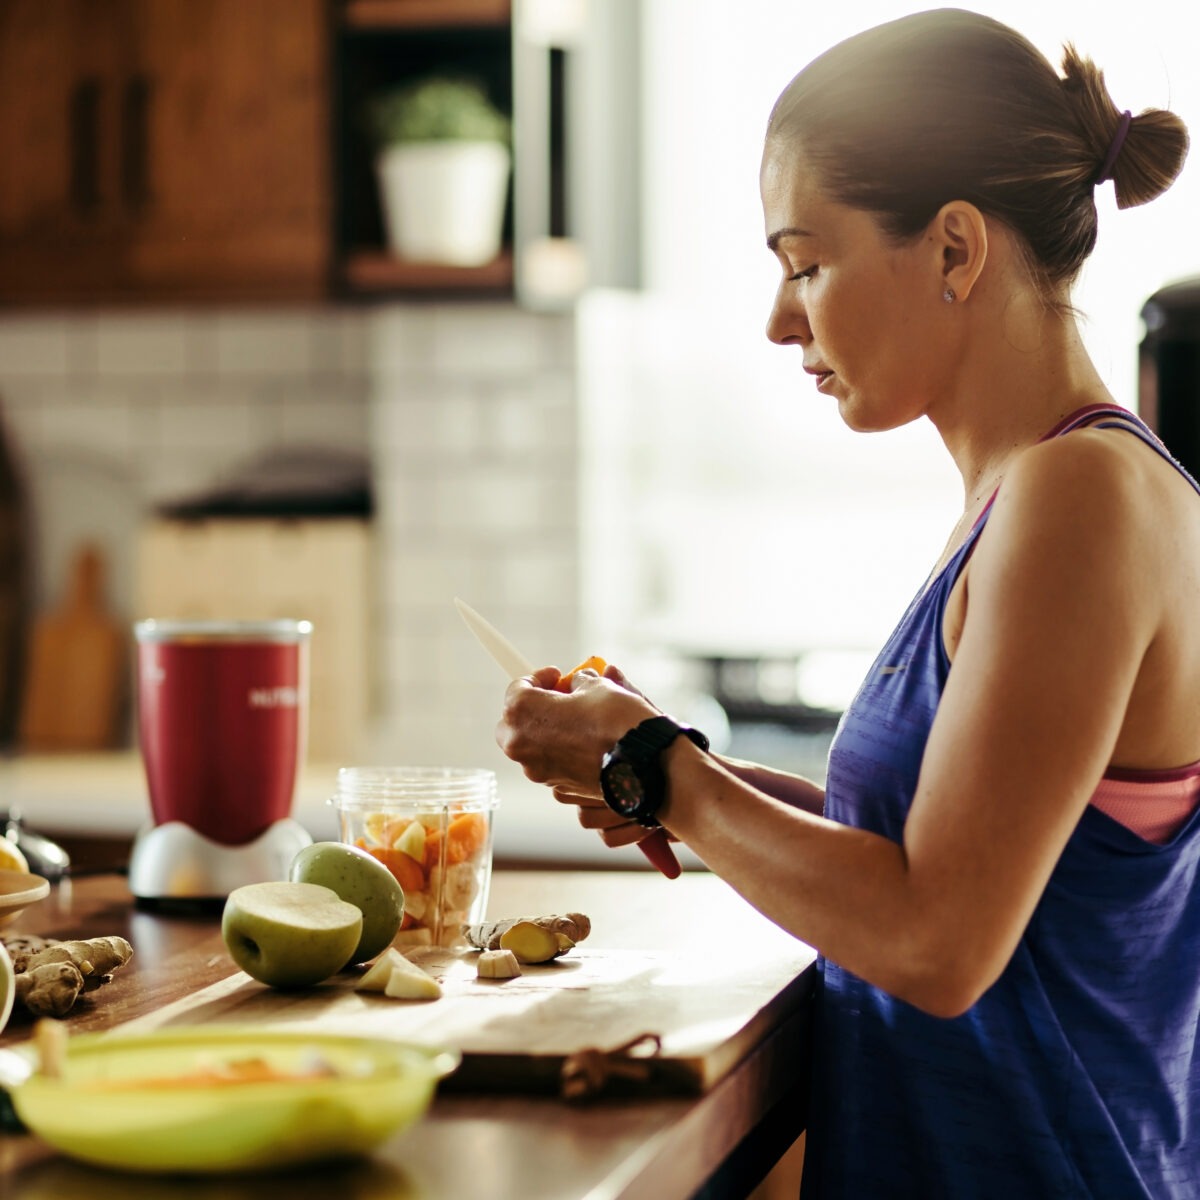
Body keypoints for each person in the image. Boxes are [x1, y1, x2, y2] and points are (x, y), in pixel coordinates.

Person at [495, 9, 1195, 1197]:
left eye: (806, 262)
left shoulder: (1080, 497)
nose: (781, 318)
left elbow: (941, 943)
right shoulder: (1034, 492)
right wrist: (671, 770)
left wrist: (663, 770)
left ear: (955, 251)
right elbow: (964, 854)